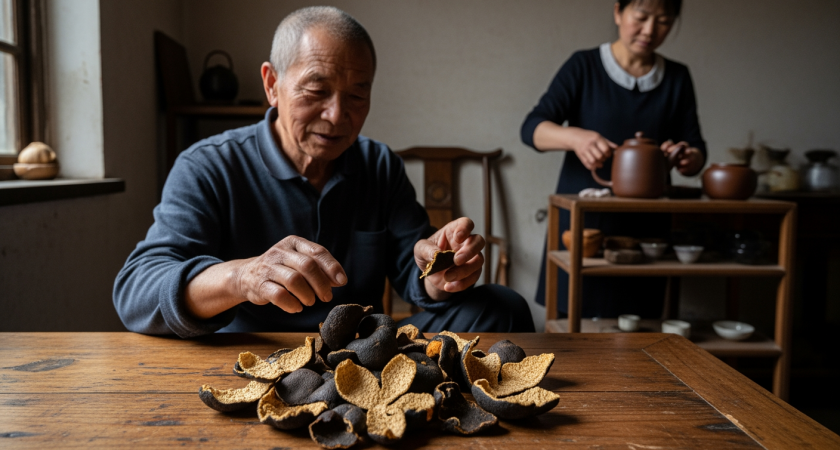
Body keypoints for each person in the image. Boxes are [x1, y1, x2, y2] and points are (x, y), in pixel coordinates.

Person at [114, 6, 534, 338]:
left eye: (357, 95)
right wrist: (243, 277)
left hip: (362, 353)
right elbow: (136, 292)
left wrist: (439, 276)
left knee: (503, 307)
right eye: (316, 91)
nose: (337, 116)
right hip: (255, 356)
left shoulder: (378, 165)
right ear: (271, 84)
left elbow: (413, 273)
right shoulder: (209, 165)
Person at [521, 0, 707, 319]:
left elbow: (696, 148)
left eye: (663, 21)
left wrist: (688, 158)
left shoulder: (677, 77)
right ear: (618, 11)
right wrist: (575, 137)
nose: (650, 30)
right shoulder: (584, 66)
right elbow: (532, 128)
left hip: (647, 229)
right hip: (584, 224)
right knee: (574, 329)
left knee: (641, 330)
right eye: (642, 16)